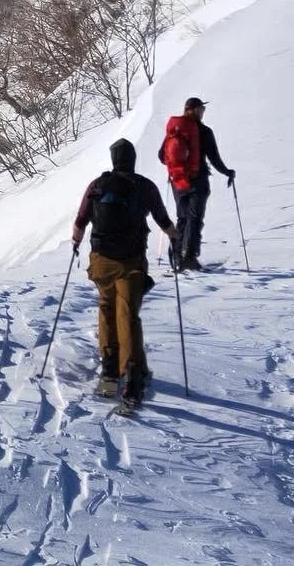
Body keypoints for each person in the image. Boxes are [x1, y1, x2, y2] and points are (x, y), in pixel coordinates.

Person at [72, 138, 180, 407]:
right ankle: (132, 375)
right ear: (132, 159)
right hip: (131, 260)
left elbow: (80, 221)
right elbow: (162, 219)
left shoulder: (97, 185)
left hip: (101, 259)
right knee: (127, 313)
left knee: (107, 308)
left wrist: (76, 241)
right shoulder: (144, 186)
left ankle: (109, 367)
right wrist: (174, 236)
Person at [158, 97, 236, 272]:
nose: (203, 112)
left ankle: (178, 256)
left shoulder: (174, 130)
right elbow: (214, 158)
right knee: (195, 219)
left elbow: (161, 156)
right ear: (193, 110)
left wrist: (177, 166)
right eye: (201, 109)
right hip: (198, 181)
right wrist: (227, 172)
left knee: (182, 218)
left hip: (177, 181)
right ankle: (189, 258)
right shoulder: (204, 131)